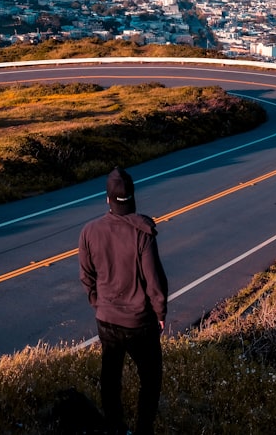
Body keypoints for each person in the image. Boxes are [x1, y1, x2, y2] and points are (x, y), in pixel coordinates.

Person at [79, 166, 168, 435]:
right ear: (132, 197)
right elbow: (154, 281)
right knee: (151, 379)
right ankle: (143, 430)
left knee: (110, 375)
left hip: (106, 319)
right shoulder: (142, 232)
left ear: (107, 199)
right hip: (139, 323)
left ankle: (115, 427)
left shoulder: (89, 231)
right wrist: (160, 312)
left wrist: (98, 303)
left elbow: (86, 276)